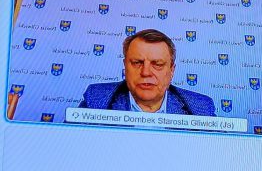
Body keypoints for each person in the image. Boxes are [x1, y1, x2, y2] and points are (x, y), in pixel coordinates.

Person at [79, 29, 215, 116]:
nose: (145, 72)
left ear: (171, 70)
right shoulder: (97, 99)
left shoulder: (200, 108)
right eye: (137, 62)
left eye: (157, 64)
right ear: (125, 66)